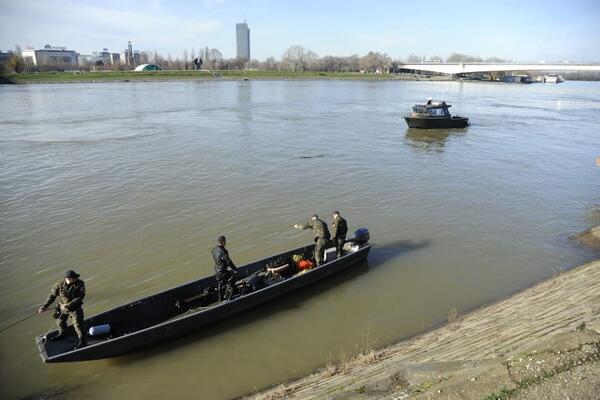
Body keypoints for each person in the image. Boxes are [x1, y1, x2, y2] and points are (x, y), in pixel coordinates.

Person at [38, 270, 87, 349]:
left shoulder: (80, 284)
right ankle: (62, 334)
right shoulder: (58, 285)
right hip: (62, 308)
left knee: (78, 325)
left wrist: (68, 305)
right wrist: (45, 306)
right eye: (74, 278)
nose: (76, 279)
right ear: (68, 278)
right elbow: (52, 296)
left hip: (75, 307)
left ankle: (82, 341)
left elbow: (80, 297)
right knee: (60, 322)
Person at [212, 236, 238, 301]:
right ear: (223, 242)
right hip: (222, 271)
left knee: (220, 283)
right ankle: (228, 297)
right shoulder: (223, 251)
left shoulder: (214, 249)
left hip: (216, 270)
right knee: (232, 280)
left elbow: (214, 255)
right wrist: (234, 269)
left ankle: (220, 298)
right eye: (225, 241)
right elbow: (228, 261)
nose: (226, 242)